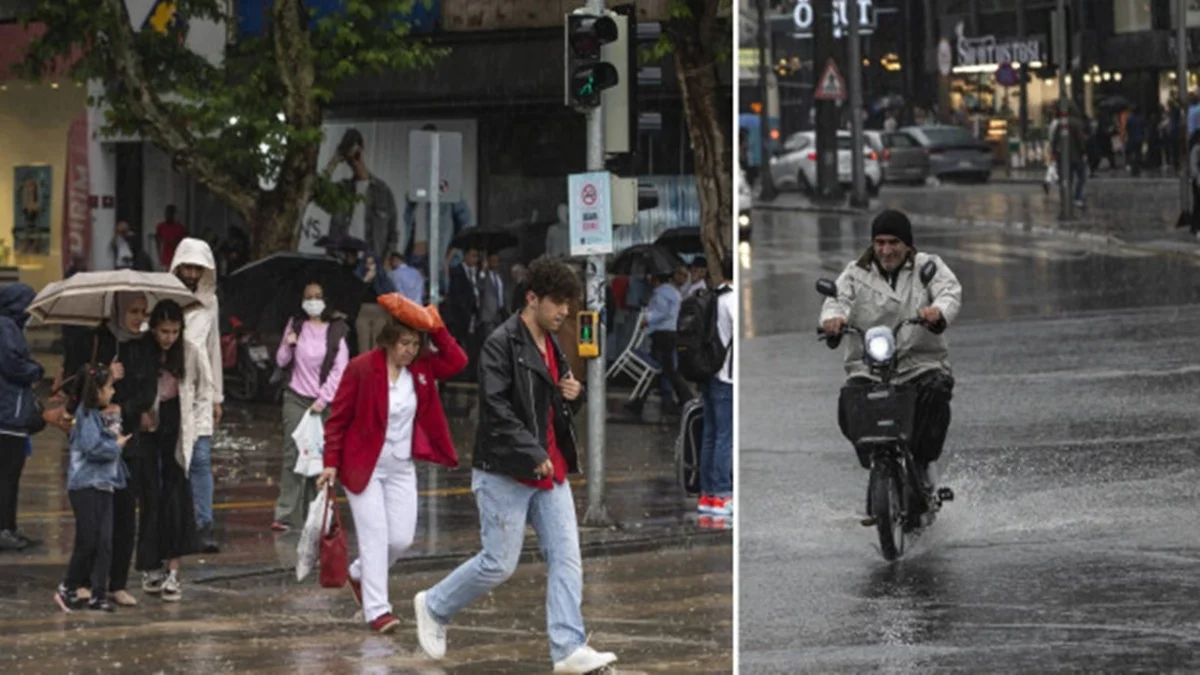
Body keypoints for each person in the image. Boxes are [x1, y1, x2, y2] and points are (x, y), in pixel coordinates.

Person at [412, 257, 618, 674]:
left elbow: (552, 407)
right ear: (532, 298)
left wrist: (572, 395)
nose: (564, 312)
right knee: (498, 564)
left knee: (566, 557)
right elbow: (496, 410)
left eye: (568, 304)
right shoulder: (500, 343)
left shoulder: (554, 344)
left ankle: (567, 648)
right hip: (504, 470)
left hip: (550, 470)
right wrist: (531, 452)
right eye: (557, 303)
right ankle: (433, 605)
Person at [318, 296, 467, 633]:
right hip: (363, 467)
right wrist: (329, 463)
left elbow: (458, 361)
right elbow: (337, 420)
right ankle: (377, 610)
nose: (410, 350)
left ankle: (359, 573)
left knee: (400, 539)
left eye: (415, 344)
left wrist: (436, 327)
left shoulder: (422, 368)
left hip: (400, 464)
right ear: (387, 341)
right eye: (404, 343)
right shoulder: (360, 367)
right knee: (375, 537)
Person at [819, 210, 962, 510]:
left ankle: (923, 464)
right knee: (850, 401)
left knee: (936, 392)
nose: (886, 250)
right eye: (880, 243)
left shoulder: (928, 266)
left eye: (893, 242)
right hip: (868, 366)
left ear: (908, 245)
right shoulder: (855, 273)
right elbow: (836, 299)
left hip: (919, 362)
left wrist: (937, 312)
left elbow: (949, 292)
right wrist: (832, 319)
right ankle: (876, 463)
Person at [61, 292, 156, 607]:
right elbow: (76, 383)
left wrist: (120, 408)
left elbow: (147, 392)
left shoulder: (144, 346)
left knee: (125, 517)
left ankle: (117, 582)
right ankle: (86, 582)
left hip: (128, 443)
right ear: (117, 310)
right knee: (95, 521)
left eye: (143, 311)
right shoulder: (97, 341)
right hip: (95, 444)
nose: (138, 317)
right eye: (132, 310)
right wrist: (105, 374)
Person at [135, 300, 209, 603]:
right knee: (150, 495)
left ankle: (174, 569)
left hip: (178, 426)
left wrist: (199, 429)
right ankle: (151, 565)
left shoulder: (190, 351)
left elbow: (203, 390)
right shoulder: (142, 350)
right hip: (147, 426)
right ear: (153, 329)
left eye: (174, 331)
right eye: (164, 331)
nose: (169, 337)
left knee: (176, 494)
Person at [272, 282, 350, 531]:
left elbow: (340, 369)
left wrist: (323, 400)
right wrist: (289, 343)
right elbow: (282, 360)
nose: (313, 301)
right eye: (308, 297)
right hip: (296, 398)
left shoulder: (337, 330)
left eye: (318, 297)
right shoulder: (295, 325)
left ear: (326, 300)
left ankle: (316, 514)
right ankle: (286, 515)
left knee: (320, 459)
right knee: (293, 454)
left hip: (323, 403)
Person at [54, 364, 132, 613]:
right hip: (85, 485)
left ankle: (99, 594)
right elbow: (93, 449)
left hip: (105, 484)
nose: (112, 391)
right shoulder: (86, 415)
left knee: (104, 541)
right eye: (108, 387)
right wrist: (116, 445)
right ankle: (68, 587)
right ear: (96, 390)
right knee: (88, 538)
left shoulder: (100, 415)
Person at [168, 238, 223, 553]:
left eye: (196, 267)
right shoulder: (163, 295)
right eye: (186, 266)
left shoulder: (210, 301)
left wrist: (217, 396)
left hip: (200, 389)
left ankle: (203, 526)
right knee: (172, 459)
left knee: (201, 459)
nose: (191, 273)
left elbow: (213, 346)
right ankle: (173, 524)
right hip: (170, 387)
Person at [0, 283, 45, 552]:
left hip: (9, 415)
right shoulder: (6, 327)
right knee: (8, 477)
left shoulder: (9, 327)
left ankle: (9, 527)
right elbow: (13, 364)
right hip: (8, 417)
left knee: (9, 477)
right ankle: (5, 529)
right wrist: (36, 370)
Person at [326, 128, 398, 262]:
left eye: (357, 154)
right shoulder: (342, 189)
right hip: (343, 260)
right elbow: (319, 189)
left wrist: (385, 262)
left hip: (372, 263)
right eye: (350, 157)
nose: (354, 161)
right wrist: (335, 160)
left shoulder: (382, 191)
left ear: (362, 149)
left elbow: (393, 233)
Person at [627, 271, 692, 418]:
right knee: (657, 369)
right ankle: (641, 401)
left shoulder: (661, 293)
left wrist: (647, 319)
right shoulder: (673, 292)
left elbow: (662, 312)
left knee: (664, 370)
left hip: (662, 334)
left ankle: (686, 398)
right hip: (669, 334)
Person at [699, 258, 734, 519]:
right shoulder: (731, 300)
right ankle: (723, 495)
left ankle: (708, 496)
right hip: (727, 376)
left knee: (710, 436)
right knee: (724, 437)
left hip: (709, 372)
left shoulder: (715, 296)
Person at [155, 205, 187, 269]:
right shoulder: (161, 226)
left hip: (177, 258)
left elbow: (183, 242)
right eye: (167, 213)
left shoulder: (179, 228)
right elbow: (158, 241)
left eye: (170, 213)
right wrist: (159, 255)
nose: (168, 215)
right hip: (164, 259)